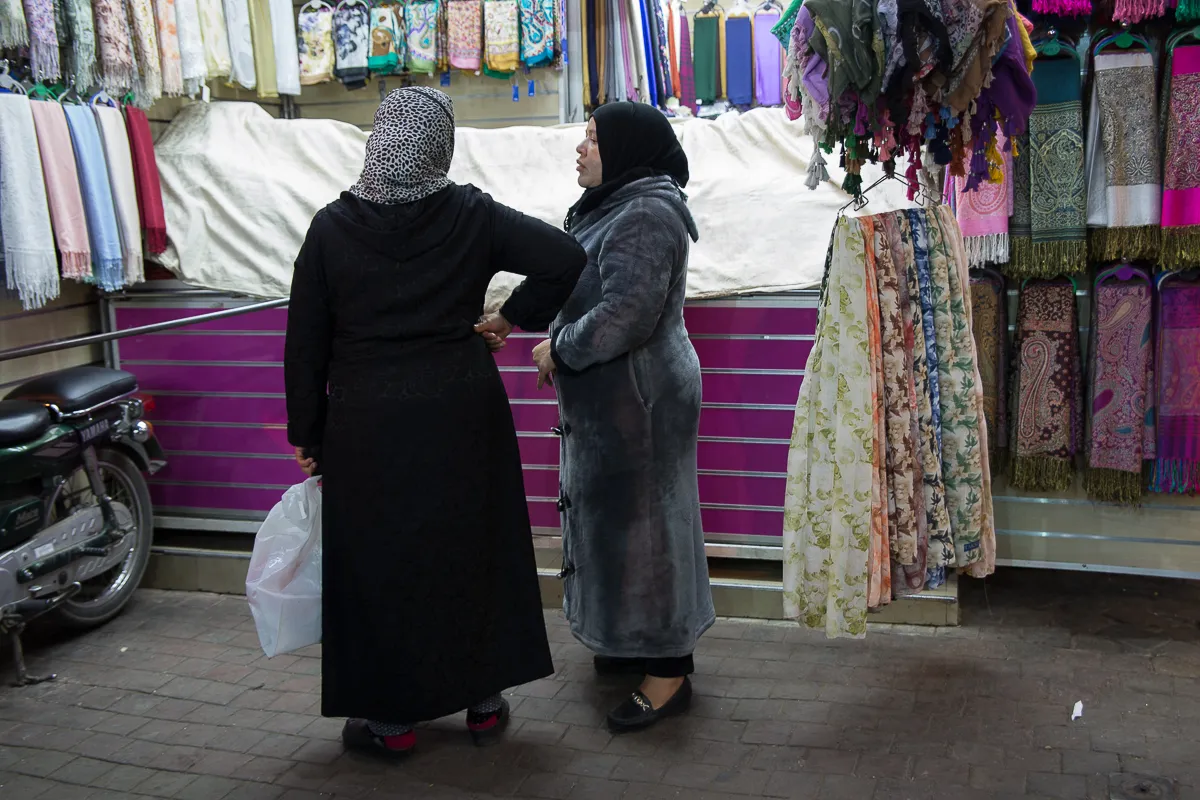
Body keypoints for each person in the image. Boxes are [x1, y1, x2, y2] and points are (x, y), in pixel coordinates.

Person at [284, 87, 586, 759]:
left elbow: (304, 340)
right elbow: (566, 259)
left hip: (366, 425)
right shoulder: (471, 214)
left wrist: (307, 432)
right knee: (472, 549)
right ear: (439, 145)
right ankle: (483, 703)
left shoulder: (332, 229)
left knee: (381, 565)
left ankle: (391, 724)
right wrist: (511, 315)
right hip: (460, 411)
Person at [531, 102, 714, 732]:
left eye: (592, 139)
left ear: (627, 149)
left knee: (651, 534)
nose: (580, 149)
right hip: (619, 403)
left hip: (641, 401)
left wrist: (559, 346)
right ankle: (630, 640)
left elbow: (627, 314)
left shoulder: (643, 213)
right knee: (620, 527)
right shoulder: (613, 205)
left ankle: (668, 671)